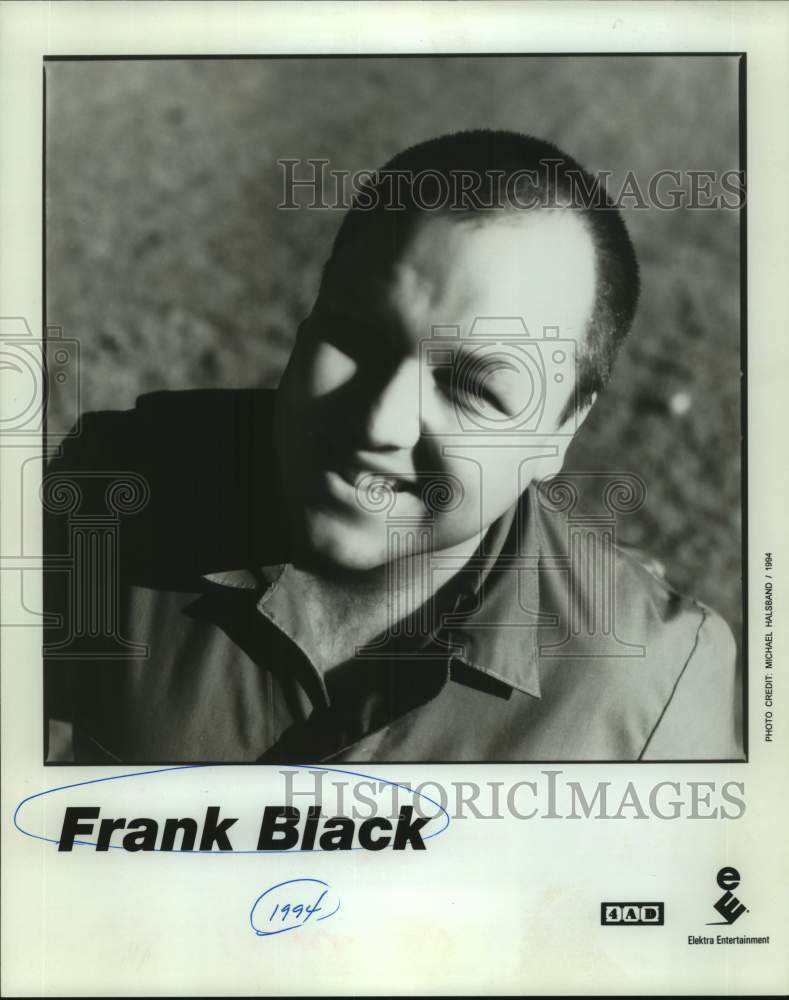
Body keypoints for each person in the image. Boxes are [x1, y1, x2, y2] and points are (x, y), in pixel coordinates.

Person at [44, 130, 743, 763]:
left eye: (471, 387)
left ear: (561, 428)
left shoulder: (654, 689)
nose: (379, 424)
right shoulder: (117, 489)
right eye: (355, 338)